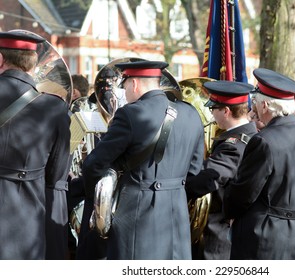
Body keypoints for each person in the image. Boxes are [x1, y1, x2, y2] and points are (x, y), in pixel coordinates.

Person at [80, 60, 204, 260]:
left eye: (124, 85)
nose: (125, 92)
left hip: (137, 214)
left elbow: (95, 164)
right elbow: (194, 171)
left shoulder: (130, 114)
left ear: (134, 84)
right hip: (176, 216)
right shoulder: (191, 114)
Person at [223, 68, 295, 260]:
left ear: (265, 106)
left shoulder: (264, 140)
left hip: (266, 235)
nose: (253, 110)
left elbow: (244, 192)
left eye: (255, 104)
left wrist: (228, 210)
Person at [0, 30, 70, 259]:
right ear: (32, 63)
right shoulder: (54, 106)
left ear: (0, 60)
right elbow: (57, 174)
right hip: (26, 218)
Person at [185, 80, 257, 260]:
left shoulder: (234, 145)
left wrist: (176, 185)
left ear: (225, 111)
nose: (211, 115)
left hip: (219, 232)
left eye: (213, 109)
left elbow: (207, 179)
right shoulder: (250, 136)